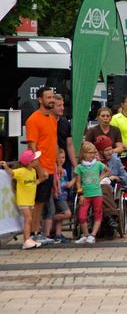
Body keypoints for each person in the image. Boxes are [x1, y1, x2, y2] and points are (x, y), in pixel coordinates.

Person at [25, 86, 58, 245]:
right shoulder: (33, 119)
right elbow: (32, 147)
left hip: (50, 168)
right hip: (40, 168)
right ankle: (33, 233)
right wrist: (40, 169)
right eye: (48, 97)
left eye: (53, 97)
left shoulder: (52, 118)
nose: (52, 100)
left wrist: (56, 167)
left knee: (42, 202)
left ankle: (37, 232)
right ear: (40, 99)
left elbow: (54, 144)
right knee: (37, 203)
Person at [1, 150, 42, 249]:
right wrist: (6, 166)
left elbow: (32, 184)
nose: (38, 160)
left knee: (29, 219)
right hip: (23, 200)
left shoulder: (32, 171)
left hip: (30, 200)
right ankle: (26, 240)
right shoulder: (21, 171)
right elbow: (11, 173)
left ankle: (28, 238)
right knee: (28, 219)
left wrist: (40, 180)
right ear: (30, 162)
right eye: (36, 159)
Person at [74, 142, 110, 244]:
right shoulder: (80, 167)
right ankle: (85, 235)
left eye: (94, 153)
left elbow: (107, 171)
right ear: (83, 153)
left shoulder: (98, 164)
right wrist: (80, 194)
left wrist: (99, 179)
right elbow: (78, 182)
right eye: (89, 153)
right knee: (82, 215)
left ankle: (93, 235)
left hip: (97, 193)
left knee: (98, 213)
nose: (92, 155)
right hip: (85, 194)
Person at [95, 135, 127, 231]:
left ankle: (109, 216)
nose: (110, 152)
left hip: (112, 188)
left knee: (105, 190)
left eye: (111, 149)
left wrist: (116, 177)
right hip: (95, 187)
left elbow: (126, 178)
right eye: (106, 150)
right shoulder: (94, 161)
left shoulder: (115, 160)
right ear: (100, 151)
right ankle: (111, 215)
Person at [51, 149, 73, 243]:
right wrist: (73, 180)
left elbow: (65, 182)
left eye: (63, 157)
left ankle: (58, 234)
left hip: (63, 195)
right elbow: (63, 183)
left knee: (60, 217)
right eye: (59, 158)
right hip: (58, 195)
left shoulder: (64, 170)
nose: (61, 159)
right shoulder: (55, 169)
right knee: (67, 213)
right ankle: (47, 220)